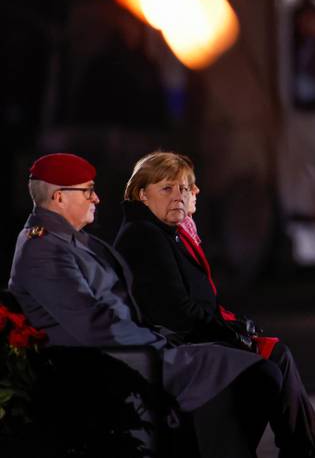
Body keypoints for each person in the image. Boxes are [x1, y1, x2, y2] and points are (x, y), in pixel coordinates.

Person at [7, 152, 282, 458]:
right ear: (59, 197)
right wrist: (158, 344)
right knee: (257, 376)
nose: (96, 198)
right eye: (87, 191)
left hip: (131, 354)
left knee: (258, 372)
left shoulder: (72, 241)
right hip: (111, 365)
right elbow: (96, 325)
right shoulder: (42, 248)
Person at [113, 151, 315, 458]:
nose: (179, 196)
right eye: (167, 189)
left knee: (279, 354)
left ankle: (308, 451)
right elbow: (176, 312)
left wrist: (234, 327)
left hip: (191, 335)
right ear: (141, 194)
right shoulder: (145, 235)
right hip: (177, 344)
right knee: (268, 367)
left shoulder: (165, 232)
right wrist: (233, 333)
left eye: (183, 188)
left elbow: (199, 302)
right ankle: (308, 452)